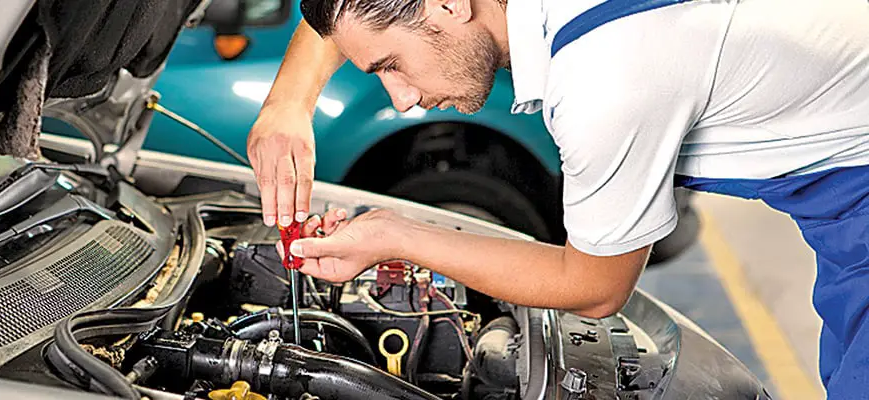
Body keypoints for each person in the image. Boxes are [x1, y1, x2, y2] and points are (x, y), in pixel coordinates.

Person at [245, 0, 869, 396]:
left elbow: (594, 288)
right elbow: (366, 13)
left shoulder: (607, 74)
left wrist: (393, 233)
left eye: (392, 64)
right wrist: (287, 102)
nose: (402, 98)